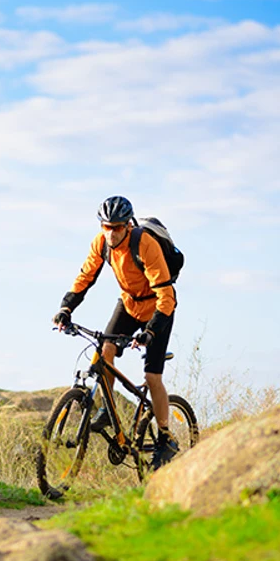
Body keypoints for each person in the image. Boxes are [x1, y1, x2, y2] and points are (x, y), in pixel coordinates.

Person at [52, 195, 179, 470]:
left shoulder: (145, 243)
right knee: (104, 351)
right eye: (106, 226)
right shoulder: (101, 243)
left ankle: (166, 437)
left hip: (159, 308)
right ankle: (107, 412)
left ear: (127, 226)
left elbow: (166, 294)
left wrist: (151, 332)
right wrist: (66, 308)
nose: (111, 232)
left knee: (152, 376)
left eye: (117, 227)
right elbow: (85, 277)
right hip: (129, 303)